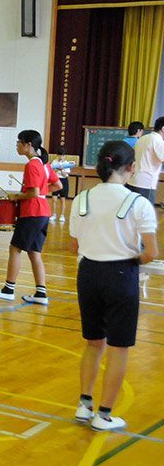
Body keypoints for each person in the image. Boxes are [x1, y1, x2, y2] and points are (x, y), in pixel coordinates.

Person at [69, 140, 158, 431]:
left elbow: (74, 245)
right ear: (131, 168)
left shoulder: (82, 198)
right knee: (119, 348)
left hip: (88, 273)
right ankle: (104, 414)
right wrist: (131, 256)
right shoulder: (138, 203)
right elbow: (151, 253)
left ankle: (84, 405)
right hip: (121, 274)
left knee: (94, 343)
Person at [0, 130, 59, 305]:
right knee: (34, 252)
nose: (17, 145)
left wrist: (16, 196)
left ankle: (8, 289)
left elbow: (33, 192)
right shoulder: (44, 164)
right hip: (43, 212)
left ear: (28, 145)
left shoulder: (32, 165)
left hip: (32, 212)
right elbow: (57, 185)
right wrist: (42, 192)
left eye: (19, 142)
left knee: (15, 249)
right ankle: (41, 293)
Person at [126, 116, 164, 205]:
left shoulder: (142, 138)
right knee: (144, 215)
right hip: (146, 183)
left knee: (131, 212)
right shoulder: (158, 141)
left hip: (133, 180)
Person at [50, 146, 74, 223]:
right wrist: (57, 169)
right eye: (60, 155)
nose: (61, 157)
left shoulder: (67, 163)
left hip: (64, 181)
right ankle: (53, 214)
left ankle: (62, 215)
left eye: (63, 155)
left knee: (62, 199)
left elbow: (64, 175)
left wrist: (62, 169)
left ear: (65, 156)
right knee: (54, 199)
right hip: (56, 181)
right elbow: (52, 172)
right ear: (58, 155)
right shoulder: (54, 162)